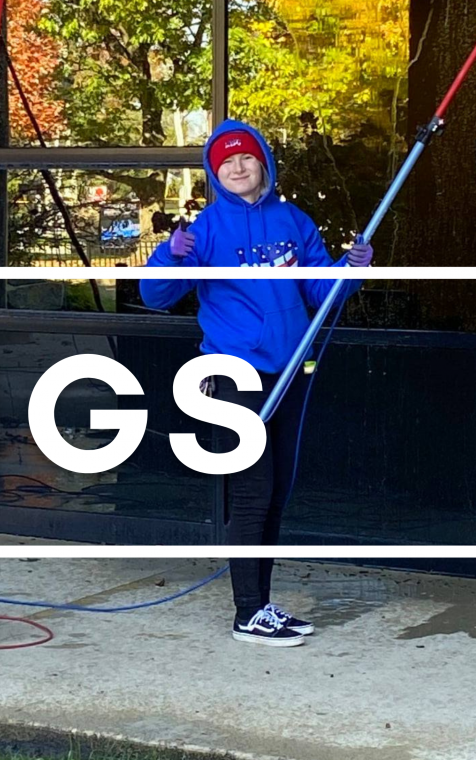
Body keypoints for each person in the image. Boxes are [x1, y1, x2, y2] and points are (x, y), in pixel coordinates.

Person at [140, 119, 373, 648]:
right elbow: (156, 294)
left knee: (276, 493)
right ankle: (249, 612)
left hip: (289, 371)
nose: (238, 167)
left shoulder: (293, 221)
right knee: (252, 492)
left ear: (262, 163)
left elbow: (321, 291)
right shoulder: (205, 232)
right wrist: (171, 254)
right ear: (214, 173)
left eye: (245, 158)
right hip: (231, 375)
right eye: (226, 162)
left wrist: (349, 269)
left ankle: (262, 605)